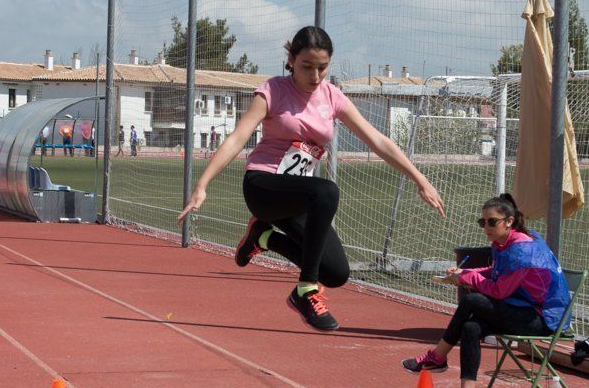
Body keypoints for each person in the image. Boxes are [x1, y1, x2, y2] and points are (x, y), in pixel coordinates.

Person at [179, 26, 444, 331]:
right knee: (327, 192)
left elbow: (377, 140)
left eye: (322, 68)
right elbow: (238, 138)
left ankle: (262, 237)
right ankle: (306, 290)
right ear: (290, 59)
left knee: (336, 273)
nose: (315, 76)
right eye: (307, 66)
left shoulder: (332, 96)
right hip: (264, 186)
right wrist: (202, 185)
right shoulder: (273, 90)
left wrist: (419, 178)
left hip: (300, 196)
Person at [402, 193, 570, 388]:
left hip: (542, 319)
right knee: (471, 328)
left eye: (492, 222)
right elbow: (496, 272)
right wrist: (467, 272)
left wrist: (466, 279)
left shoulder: (522, 250)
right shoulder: (504, 243)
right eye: (483, 222)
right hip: (521, 309)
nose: (486, 227)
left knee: (471, 300)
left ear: (509, 221)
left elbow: (499, 290)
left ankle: (438, 356)